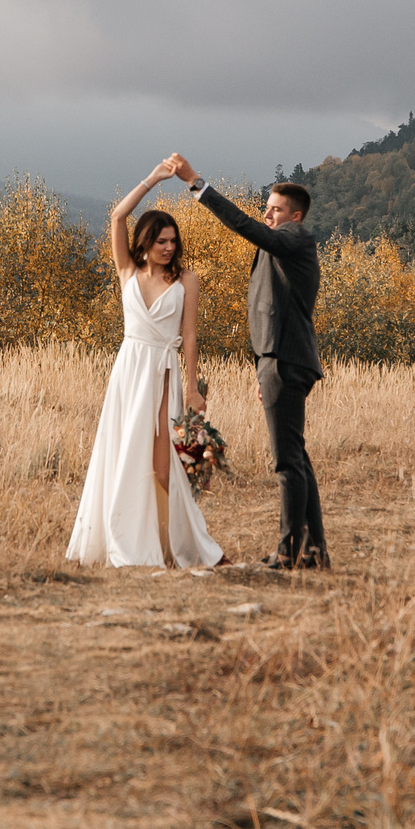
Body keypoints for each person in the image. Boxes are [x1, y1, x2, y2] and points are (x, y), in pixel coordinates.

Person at [167, 154, 327, 568]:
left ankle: (291, 552)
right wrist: (263, 367)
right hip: (281, 361)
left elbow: (247, 227)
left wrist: (197, 185)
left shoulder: (294, 238)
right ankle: (312, 552)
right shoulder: (287, 245)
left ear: (294, 216)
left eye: (274, 209)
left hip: (286, 361)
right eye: (266, 208)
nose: (266, 215)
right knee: (298, 458)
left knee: (287, 462)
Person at [64, 161, 224, 569]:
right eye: (160, 241)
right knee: (123, 455)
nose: (168, 247)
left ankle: (180, 547)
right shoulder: (127, 272)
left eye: (172, 240)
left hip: (166, 373)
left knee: (166, 466)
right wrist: (153, 179)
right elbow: (118, 216)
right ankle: (129, 544)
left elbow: (189, 337)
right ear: (144, 243)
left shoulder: (187, 280)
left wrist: (193, 388)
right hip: (130, 370)